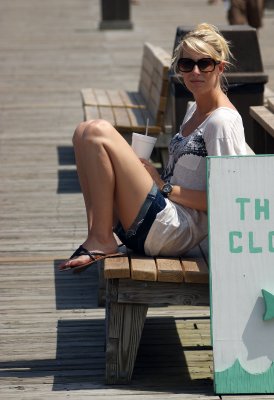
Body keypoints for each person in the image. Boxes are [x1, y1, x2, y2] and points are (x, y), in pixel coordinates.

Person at [59, 23, 246, 273]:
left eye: (205, 63)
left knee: (97, 131)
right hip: (157, 217)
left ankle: (102, 239)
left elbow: (228, 200)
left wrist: (162, 186)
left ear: (220, 67)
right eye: (186, 64)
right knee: (83, 133)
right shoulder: (194, 110)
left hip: (176, 230)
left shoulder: (221, 122)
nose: (195, 71)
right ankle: (98, 233)